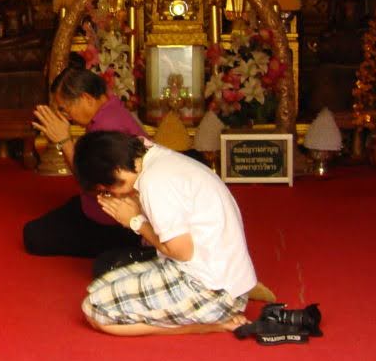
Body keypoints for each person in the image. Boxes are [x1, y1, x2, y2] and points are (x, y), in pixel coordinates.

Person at [71, 131, 257, 336]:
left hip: (210, 291)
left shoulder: (155, 182)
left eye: (105, 190)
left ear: (114, 173)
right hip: (217, 279)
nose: (109, 195)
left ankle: (212, 325)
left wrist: (135, 221)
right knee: (97, 288)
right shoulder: (157, 157)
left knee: (94, 309)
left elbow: (181, 251)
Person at [25, 62, 153, 277]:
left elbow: (95, 186)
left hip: (116, 222)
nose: (65, 116)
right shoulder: (110, 108)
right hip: (95, 205)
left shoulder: (107, 126)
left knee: (34, 237)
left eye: (65, 109)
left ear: (86, 98)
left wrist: (64, 141)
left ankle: (137, 251)